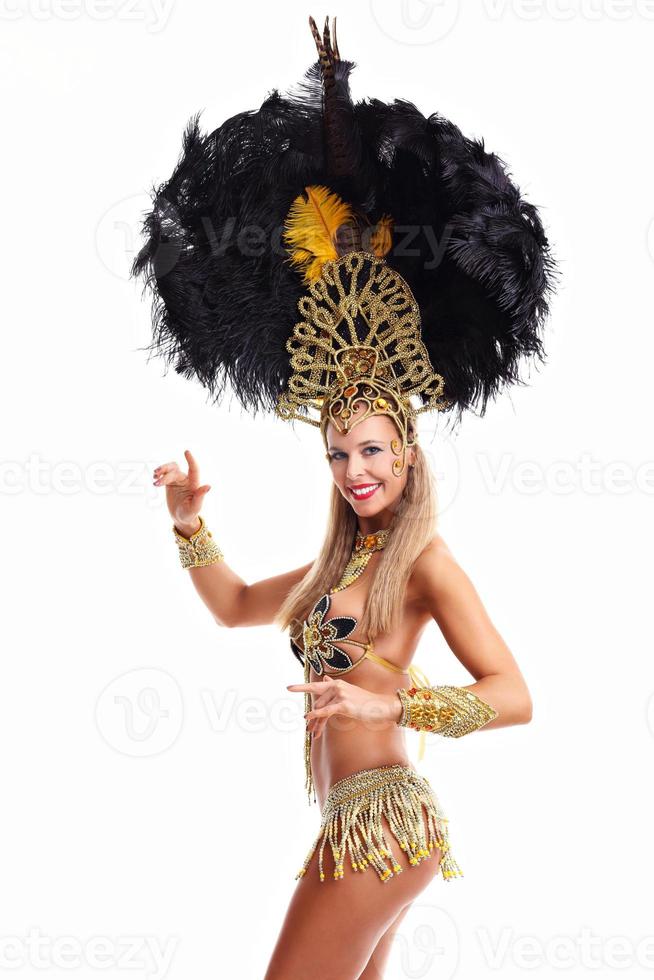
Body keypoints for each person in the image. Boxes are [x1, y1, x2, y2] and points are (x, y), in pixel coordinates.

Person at [136, 14, 557, 978]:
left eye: (370, 449)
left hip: (382, 826)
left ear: (405, 453)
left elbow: (516, 697)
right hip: (358, 829)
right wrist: (191, 525)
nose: (354, 470)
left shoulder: (424, 565)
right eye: (337, 453)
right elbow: (237, 606)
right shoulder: (342, 563)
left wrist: (394, 701)